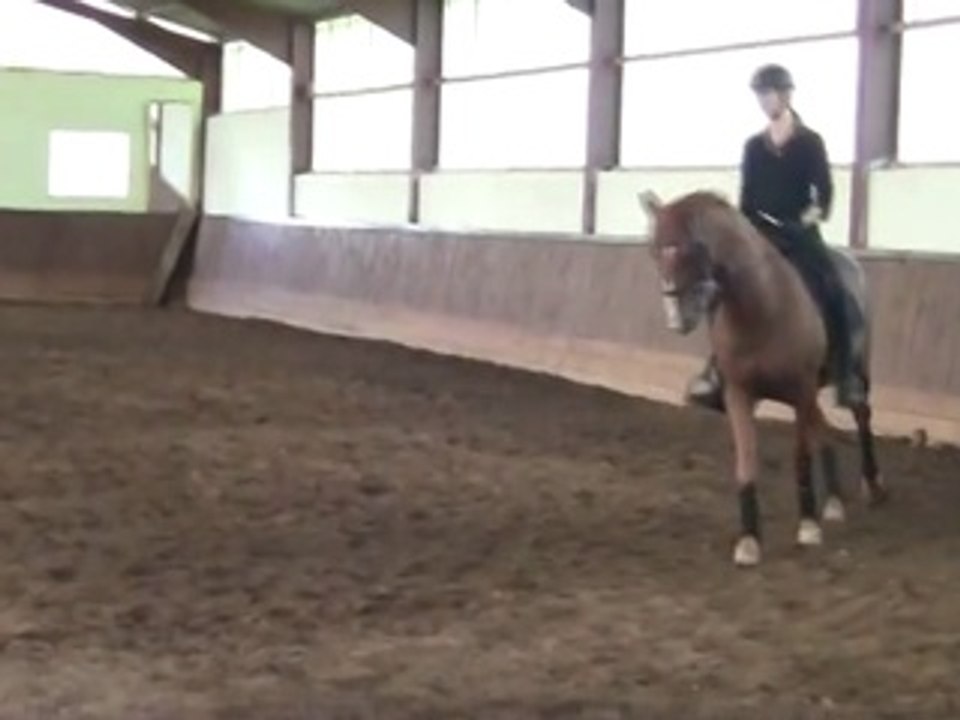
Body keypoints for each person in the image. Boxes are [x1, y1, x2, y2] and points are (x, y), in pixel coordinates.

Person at [685, 63, 863, 411]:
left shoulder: (810, 142)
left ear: (786, 95)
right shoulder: (753, 146)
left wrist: (802, 222)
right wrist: (746, 231)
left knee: (836, 285)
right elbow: (747, 199)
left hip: (800, 233)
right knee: (720, 289)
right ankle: (717, 370)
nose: (765, 102)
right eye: (760, 96)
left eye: (769, 95)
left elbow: (822, 196)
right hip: (760, 235)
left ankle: (847, 373)